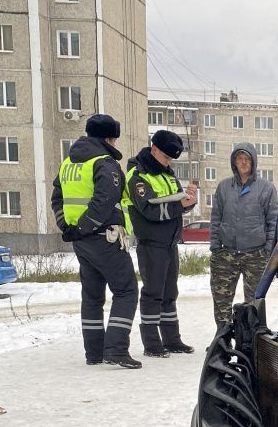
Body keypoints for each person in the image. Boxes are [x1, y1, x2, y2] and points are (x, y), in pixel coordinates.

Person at [52, 113, 141, 369]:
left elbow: (56, 199)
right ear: (110, 138)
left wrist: (68, 227)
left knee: (92, 297)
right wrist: (84, 227)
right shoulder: (105, 163)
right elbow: (103, 202)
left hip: (81, 241)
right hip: (105, 237)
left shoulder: (68, 163)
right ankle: (116, 349)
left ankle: (94, 352)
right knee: (126, 290)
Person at [126, 130, 198, 357]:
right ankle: (151, 343)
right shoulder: (137, 175)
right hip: (151, 243)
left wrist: (189, 203)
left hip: (169, 243)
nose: (169, 162)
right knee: (153, 293)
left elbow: (176, 203)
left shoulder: (167, 175)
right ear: (154, 148)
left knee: (170, 293)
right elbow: (148, 210)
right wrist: (180, 206)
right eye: (166, 157)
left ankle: (172, 339)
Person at [209, 142, 277, 327]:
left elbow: (273, 222)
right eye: (240, 158)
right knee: (221, 300)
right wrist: (215, 247)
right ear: (234, 162)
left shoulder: (266, 188)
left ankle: (250, 340)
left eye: (247, 158)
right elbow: (216, 218)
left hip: (255, 255)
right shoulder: (224, 187)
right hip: (227, 254)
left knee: (254, 303)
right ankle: (222, 339)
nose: (243, 162)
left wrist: (267, 250)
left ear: (253, 162)